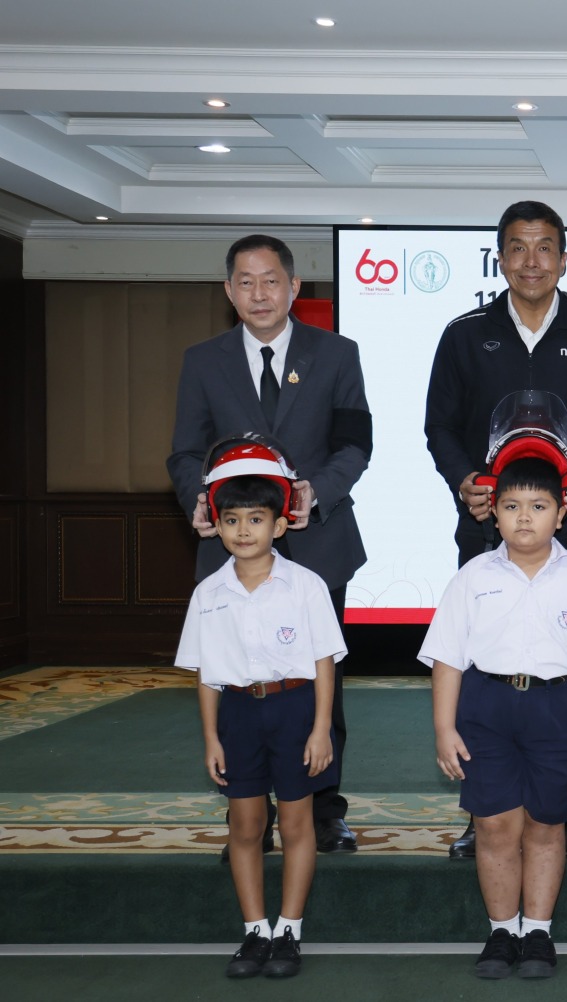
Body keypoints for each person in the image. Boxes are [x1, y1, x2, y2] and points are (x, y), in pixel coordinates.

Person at [425, 200, 567, 860]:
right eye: (518, 247)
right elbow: (440, 425)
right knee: (483, 661)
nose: (531, 260)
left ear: (563, 259)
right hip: (486, 526)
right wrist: (464, 479)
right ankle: (483, 809)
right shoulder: (466, 335)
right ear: (501, 258)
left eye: (544, 247)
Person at [168, 233, 371, 857]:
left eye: (271, 280)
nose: (260, 293)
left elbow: (355, 443)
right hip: (233, 550)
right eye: (246, 282)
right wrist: (199, 499)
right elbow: (184, 452)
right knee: (239, 678)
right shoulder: (203, 360)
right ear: (229, 291)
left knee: (320, 679)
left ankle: (324, 808)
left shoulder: (337, 353)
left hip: (319, 543)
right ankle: (250, 812)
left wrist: (318, 491)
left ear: (294, 287)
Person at [420, 454, 567, 981]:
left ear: (561, 513)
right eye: (512, 506)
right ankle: (501, 931)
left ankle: (537, 931)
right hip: (486, 709)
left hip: (559, 708)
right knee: (494, 825)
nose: (525, 517)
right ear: (494, 512)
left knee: (546, 824)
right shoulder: (472, 577)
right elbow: (447, 657)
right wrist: (444, 728)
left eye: (538, 506)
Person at [175, 445, 345, 980]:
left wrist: (321, 729)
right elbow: (207, 674)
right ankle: (255, 930)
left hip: (295, 710)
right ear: (217, 525)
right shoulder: (208, 593)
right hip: (238, 715)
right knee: (245, 824)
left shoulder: (306, 586)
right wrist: (212, 738)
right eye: (231, 520)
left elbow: (324, 664)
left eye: (255, 519)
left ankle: (289, 929)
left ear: (280, 524)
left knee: (296, 823)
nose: (243, 530)